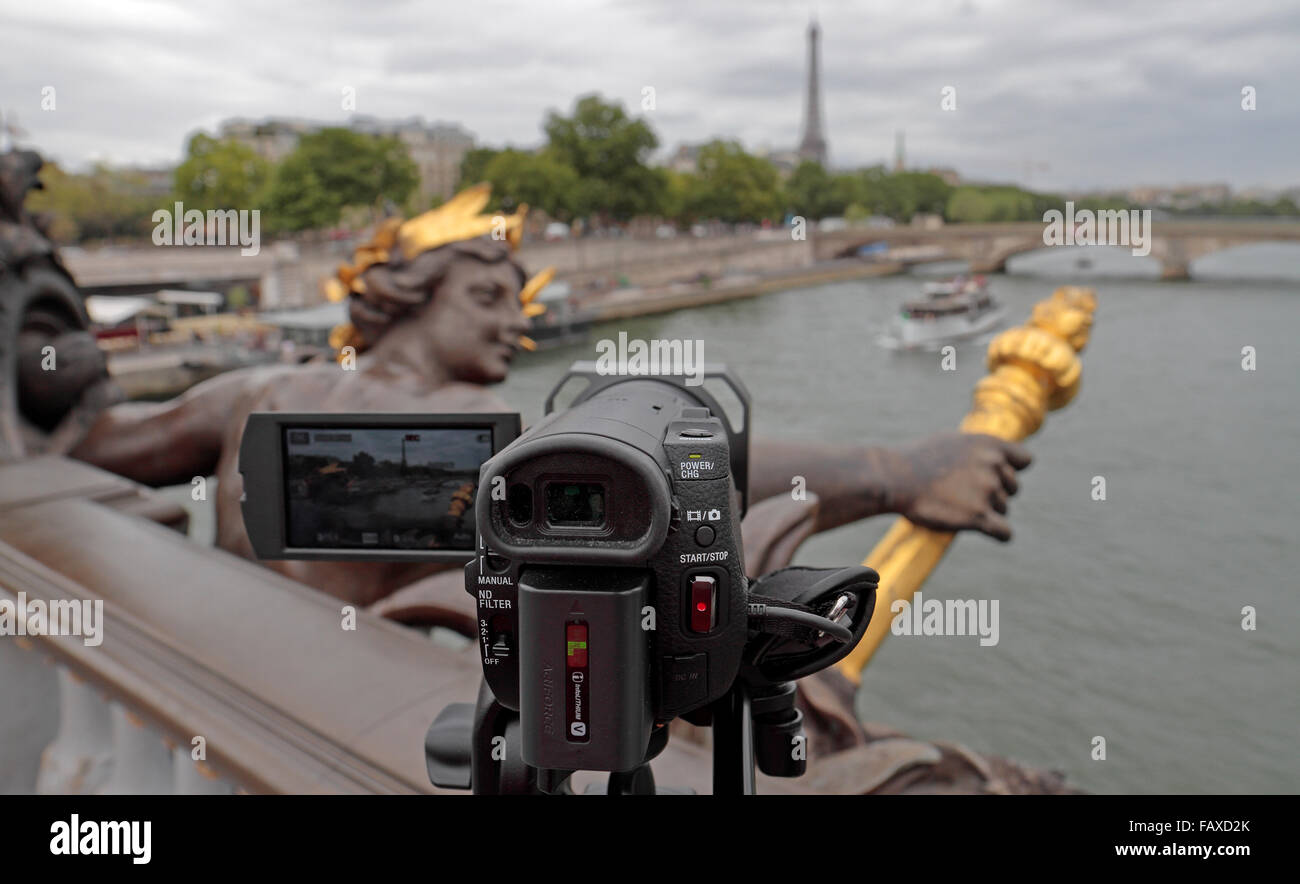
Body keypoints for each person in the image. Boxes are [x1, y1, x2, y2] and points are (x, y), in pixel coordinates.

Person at [64, 183, 1030, 606]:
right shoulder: (429, 429)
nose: (512, 323)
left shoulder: (248, 391)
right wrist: (896, 469)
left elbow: (93, 445)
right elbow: (632, 474)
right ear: (405, 299)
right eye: (486, 296)